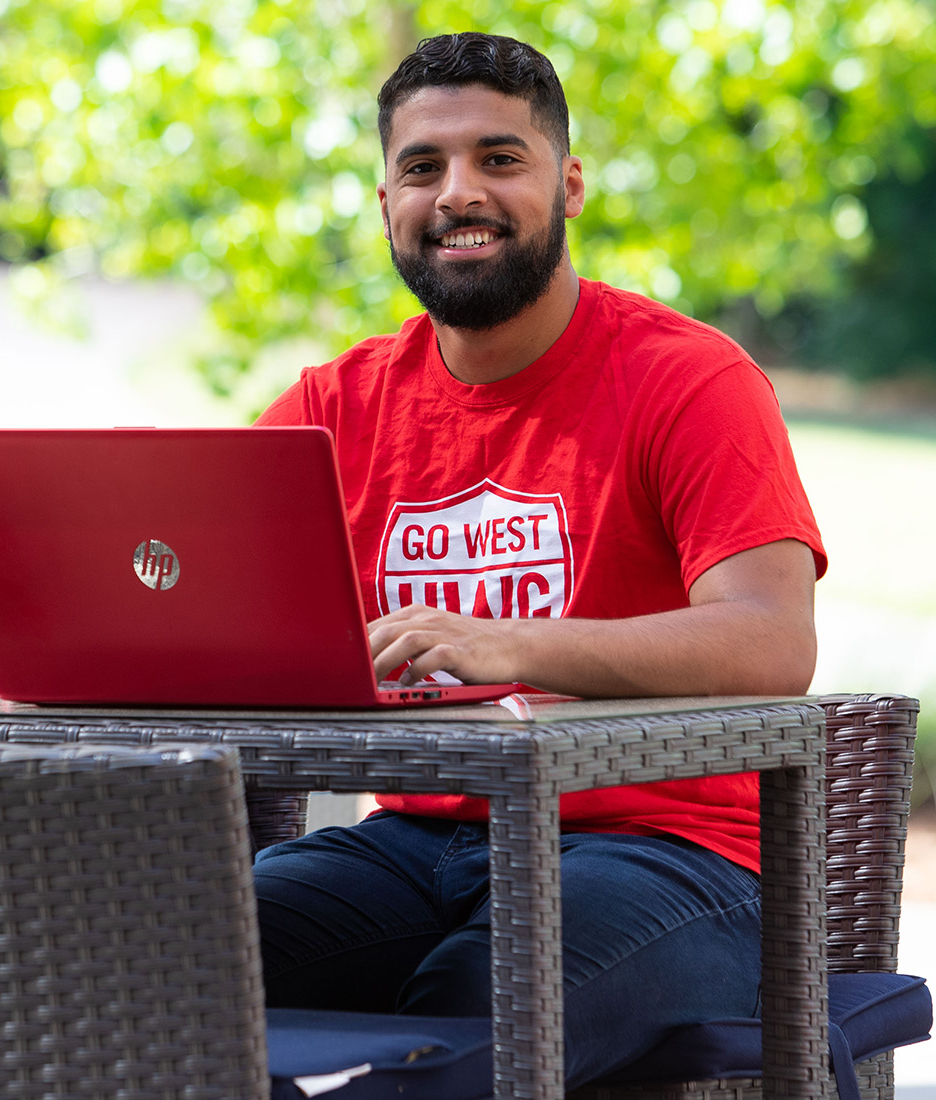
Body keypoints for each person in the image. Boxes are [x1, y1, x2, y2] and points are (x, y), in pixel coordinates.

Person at [251, 31, 826, 1088]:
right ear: (386, 204)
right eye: (423, 167)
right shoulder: (331, 407)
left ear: (566, 186)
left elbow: (772, 640)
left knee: (481, 997)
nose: (458, 192)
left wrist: (506, 642)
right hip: (419, 842)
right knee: (166, 955)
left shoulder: (691, 380)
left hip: (674, 850)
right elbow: (224, 609)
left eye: (498, 159)